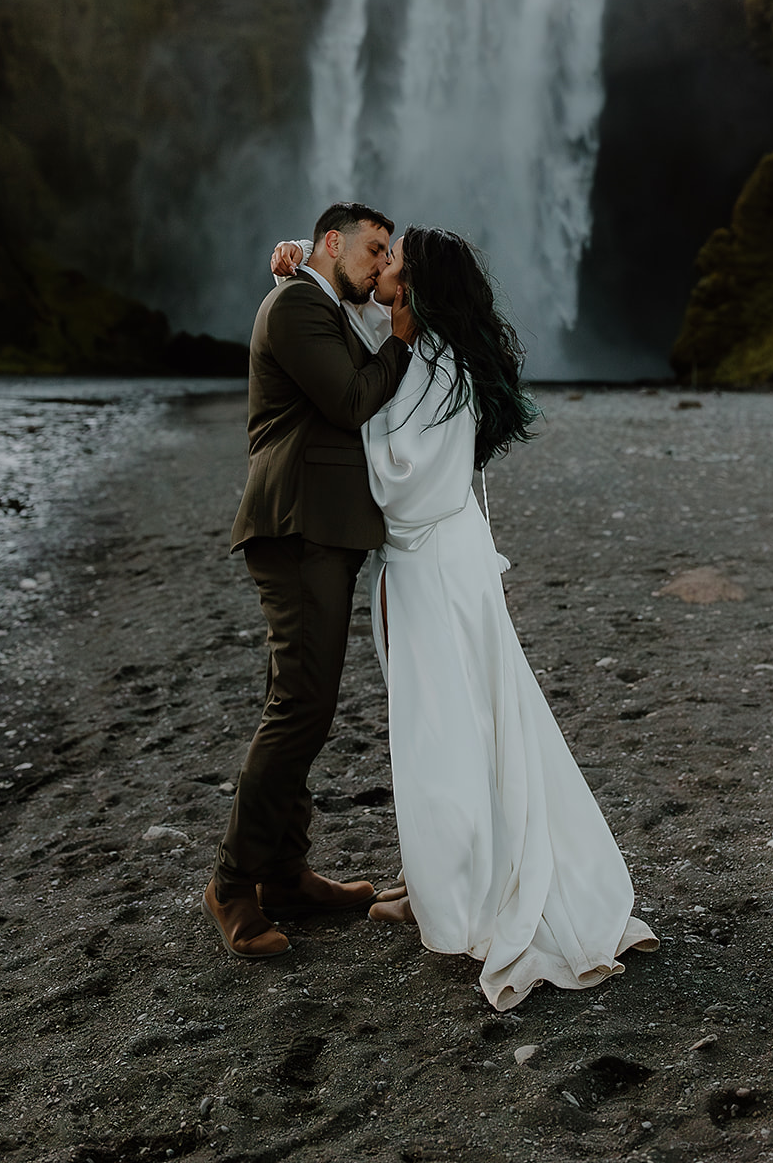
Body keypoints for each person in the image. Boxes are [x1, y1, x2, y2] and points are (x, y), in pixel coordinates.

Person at [275, 227, 658, 1010]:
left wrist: (356, 466)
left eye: (394, 264)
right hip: (436, 567)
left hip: (432, 569)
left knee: (443, 733)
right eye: (378, 256)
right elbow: (351, 324)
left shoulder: (436, 362)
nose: (380, 269)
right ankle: (437, 879)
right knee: (459, 725)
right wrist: (298, 258)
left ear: (414, 290)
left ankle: (458, 898)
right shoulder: (422, 346)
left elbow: (407, 487)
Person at [203, 203, 415, 960]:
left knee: (300, 702)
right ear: (331, 242)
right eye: (372, 247)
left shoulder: (322, 299)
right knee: (301, 707)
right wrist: (402, 337)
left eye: (387, 250)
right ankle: (232, 884)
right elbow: (352, 399)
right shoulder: (296, 302)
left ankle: (287, 874)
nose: (379, 260)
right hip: (296, 527)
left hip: (319, 528)